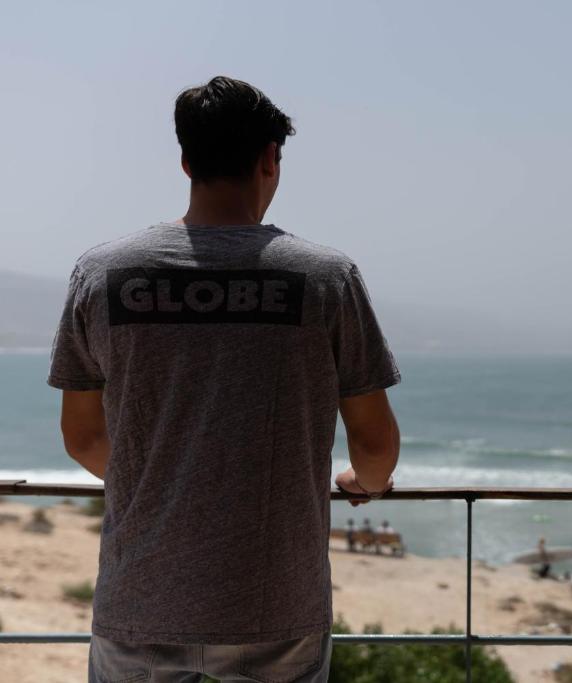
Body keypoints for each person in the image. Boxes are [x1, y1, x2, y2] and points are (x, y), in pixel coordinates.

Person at [49, 76, 402, 683]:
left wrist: (163, 482)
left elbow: (82, 437)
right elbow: (373, 446)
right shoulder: (327, 278)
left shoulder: (101, 273)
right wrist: (361, 481)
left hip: (139, 604)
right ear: (270, 158)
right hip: (276, 609)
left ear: (186, 160)